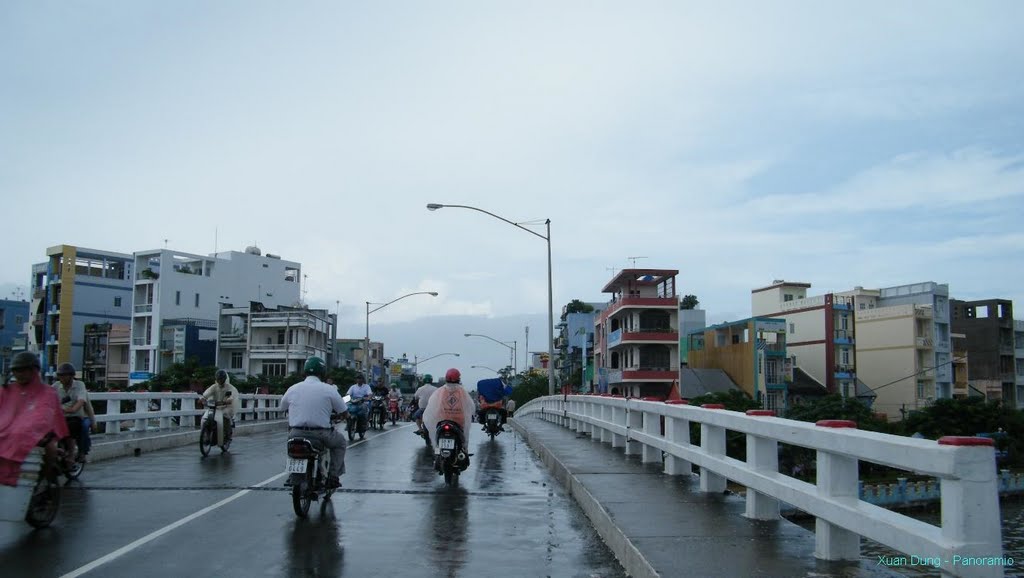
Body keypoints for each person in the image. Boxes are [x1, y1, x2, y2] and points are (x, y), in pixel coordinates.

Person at [0, 352, 70, 486]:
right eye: (15, 370)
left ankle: (43, 482)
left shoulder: (47, 392)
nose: (18, 374)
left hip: (38, 435)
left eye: (22, 370)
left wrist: (30, 428)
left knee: (50, 450)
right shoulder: (6, 390)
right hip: (7, 433)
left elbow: (44, 415)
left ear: (33, 370)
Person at [280, 356, 348, 489]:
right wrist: (346, 416)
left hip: (295, 432)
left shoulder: (293, 388)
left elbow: (282, 407)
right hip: (320, 434)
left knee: (293, 448)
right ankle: (333, 477)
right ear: (322, 373)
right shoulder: (329, 389)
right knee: (340, 443)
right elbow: (343, 410)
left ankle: (293, 474)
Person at [423, 368, 475, 468]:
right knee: (464, 439)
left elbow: (431, 406)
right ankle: (463, 450)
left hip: (442, 421)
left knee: (437, 439)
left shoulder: (440, 391)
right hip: (459, 422)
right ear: (458, 379)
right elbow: (471, 406)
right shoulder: (462, 391)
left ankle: (438, 452)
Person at [54, 363, 90, 462]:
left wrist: (72, 409)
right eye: (60, 375)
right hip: (59, 417)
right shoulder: (56, 386)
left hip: (74, 416)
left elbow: (81, 400)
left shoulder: (79, 385)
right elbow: (46, 396)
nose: (61, 378)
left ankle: (71, 454)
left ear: (71, 376)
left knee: (72, 426)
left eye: (64, 375)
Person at [199, 369, 240, 444]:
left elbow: (231, 397)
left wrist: (228, 400)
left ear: (224, 379)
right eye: (218, 379)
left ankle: (227, 435)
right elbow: (206, 394)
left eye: (221, 379)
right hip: (215, 407)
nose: (220, 380)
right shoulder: (214, 387)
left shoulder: (230, 388)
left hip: (226, 407)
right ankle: (206, 436)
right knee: (205, 418)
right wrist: (202, 399)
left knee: (225, 416)